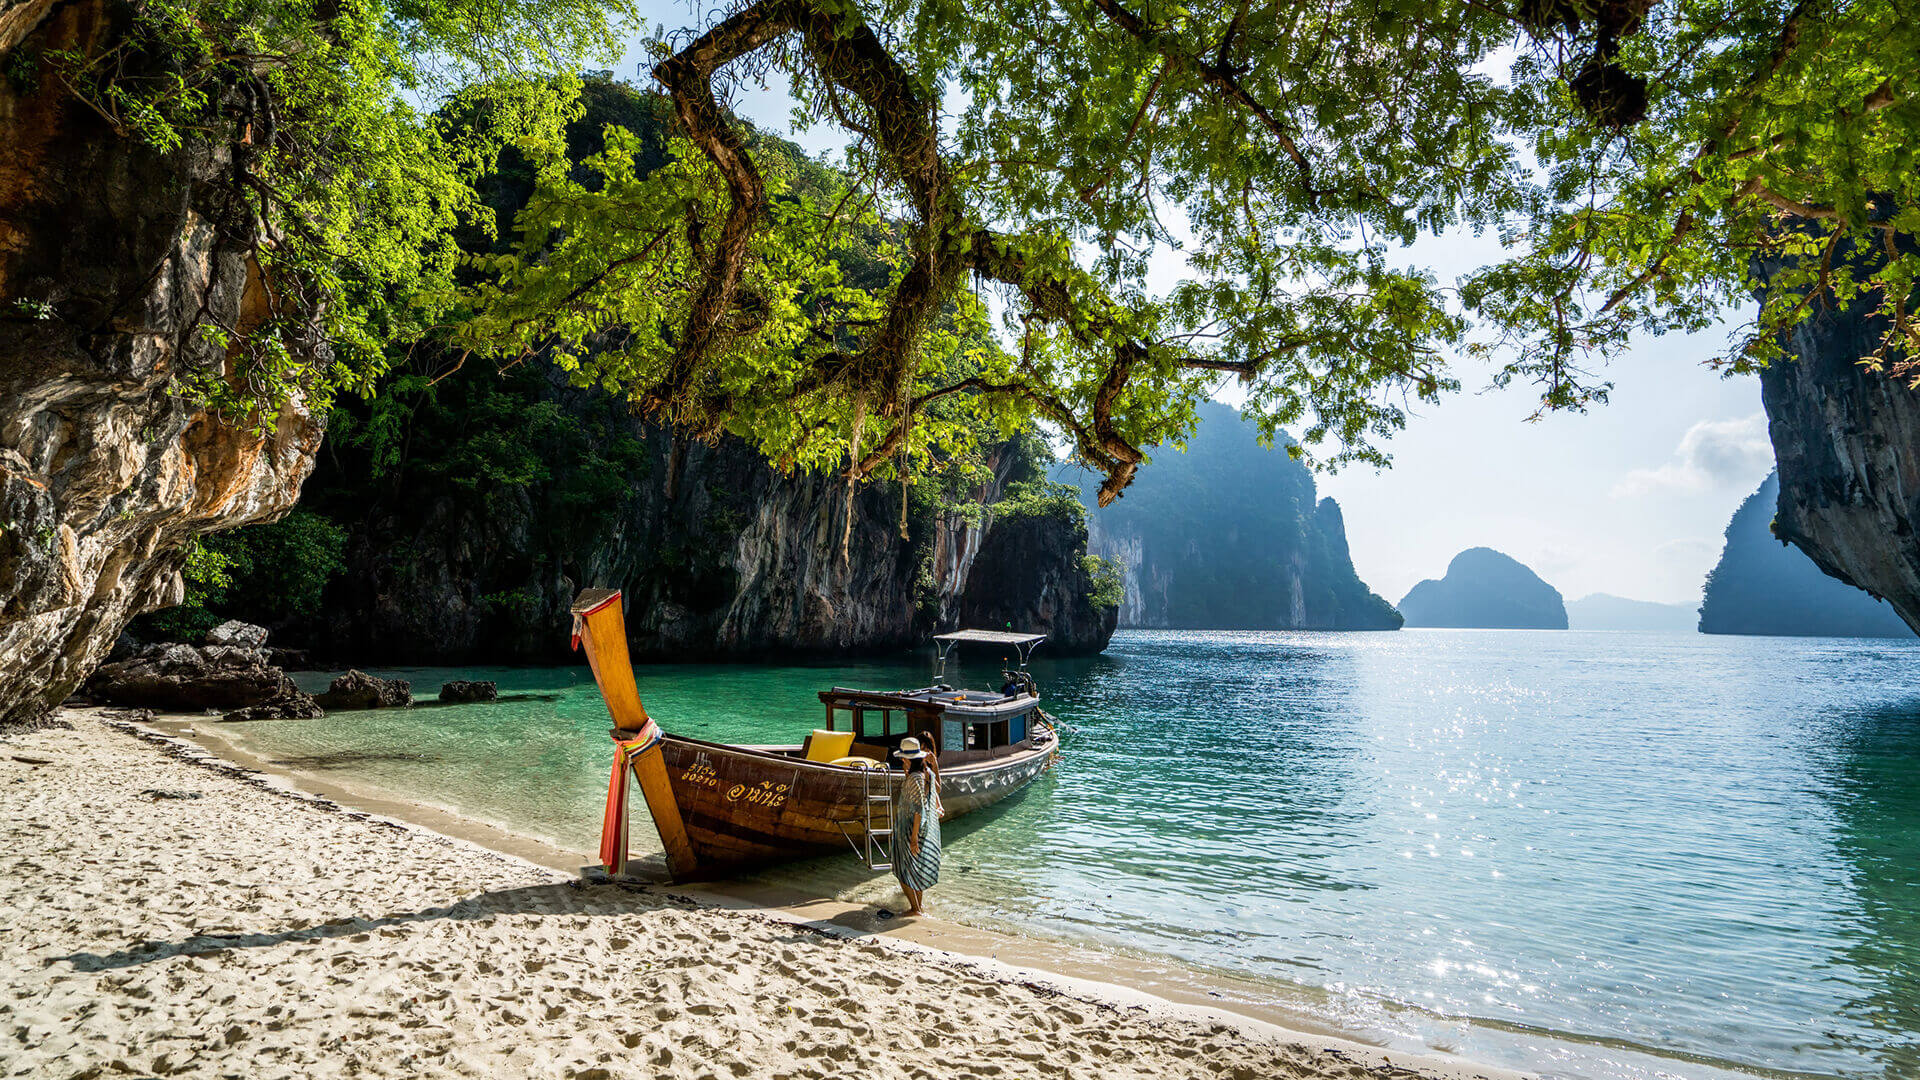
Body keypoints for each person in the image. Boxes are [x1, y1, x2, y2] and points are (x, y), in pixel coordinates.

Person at [891, 734, 943, 916]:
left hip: (909, 829)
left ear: (906, 758)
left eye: (903, 758)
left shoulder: (915, 778)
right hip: (920, 827)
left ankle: (915, 908)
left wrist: (913, 837)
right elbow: (934, 792)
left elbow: (918, 808)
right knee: (915, 868)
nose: (902, 761)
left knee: (903, 869)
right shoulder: (925, 773)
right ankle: (917, 907)